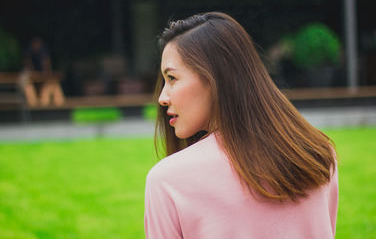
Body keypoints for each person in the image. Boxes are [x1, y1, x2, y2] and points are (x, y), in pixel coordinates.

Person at [144, 12, 338, 239]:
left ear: (214, 78)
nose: (162, 97)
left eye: (172, 79)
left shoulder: (168, 181)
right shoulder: (318, 156)